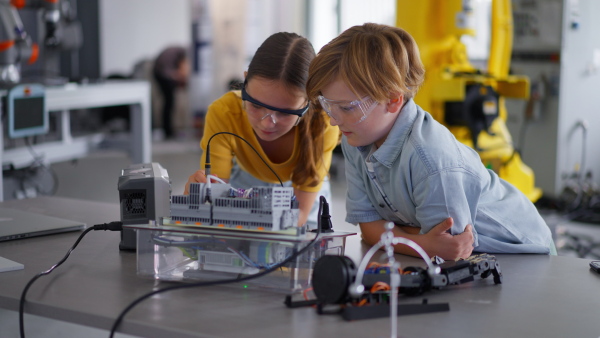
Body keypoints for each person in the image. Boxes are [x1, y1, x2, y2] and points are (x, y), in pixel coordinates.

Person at [306, 23, 554, 260]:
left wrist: (402, 235)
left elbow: (452, 248)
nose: (334, 121)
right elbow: (370, 229)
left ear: (393, 99)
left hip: (523, 252)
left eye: (347, 108)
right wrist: (422, 241)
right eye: (328, 105)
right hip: (469, 253)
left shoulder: (430, 158)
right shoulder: (355, 142)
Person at [184, 32, 339, 229]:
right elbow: (214, 206)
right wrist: (195, 203)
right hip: (246, 183)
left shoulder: (324, 122)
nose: (267, 124)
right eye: (256, 105)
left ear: (308, 101)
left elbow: (299, 216)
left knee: (308, 246)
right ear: (245, 80)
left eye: (284, 113)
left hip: (303, 193)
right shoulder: (224, 112)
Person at [153, 46, 190, 139]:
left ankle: (168, 130)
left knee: (168, 102)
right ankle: (168, 131)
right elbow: (179, 71)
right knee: (169, 102)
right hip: (162, 74)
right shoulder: (182, 52)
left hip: (159, 73)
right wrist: (181, 77)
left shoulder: (177, 52)